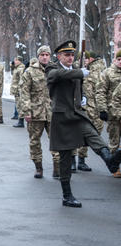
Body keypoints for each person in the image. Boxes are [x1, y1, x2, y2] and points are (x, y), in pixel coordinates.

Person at [46, 40, 121, 207]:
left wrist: (83, 98)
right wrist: (80, 72)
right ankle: (67, 195)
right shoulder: (52, 69)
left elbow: (78, 89)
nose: (70, 58)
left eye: (72, 55)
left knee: (94, 135)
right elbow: (58, 76)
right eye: (67, 55)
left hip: (78, 115)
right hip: (62, 118)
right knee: (65, 157)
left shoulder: (76, 71)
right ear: (59, 56)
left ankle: (110, 159)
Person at [19, 46, 59, 178]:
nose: (45, 57)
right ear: (38, 56)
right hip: (36, 112)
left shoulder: (55, 70)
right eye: (42, 54)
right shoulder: (30, 72)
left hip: (53, 112)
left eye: (47, 54)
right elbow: (24, 92)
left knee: (56, 140)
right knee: (34, 141)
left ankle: (57, 168)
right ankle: (38, 168)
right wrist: (27, 111)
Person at [79, 51, 106, 171]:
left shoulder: (98, 70)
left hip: (95, 108)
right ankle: (79, 160)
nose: (84, 60)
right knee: (83, 134)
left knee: (92, 135)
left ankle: (81, 159)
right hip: (86, 107)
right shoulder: (85, 68)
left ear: (91, 59)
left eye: (85, 58)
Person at [96, 50, 121, 177]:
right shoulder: (107, 73)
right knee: (114, 141)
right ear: (115, 60)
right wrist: (102, 110)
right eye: (119, 59)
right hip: (113, 113)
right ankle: (114, 167)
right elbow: (101, 92)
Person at [11, 56, 25, 127]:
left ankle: (21, 121)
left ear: (19, 61)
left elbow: (21, 80)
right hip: (16, 90)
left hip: (19, 90)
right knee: (18, 105)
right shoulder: (16, 68)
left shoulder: (21, 69)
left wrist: (19, 90)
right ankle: (20, 120)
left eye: (16, 60)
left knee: (20, 106)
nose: (15, 62)